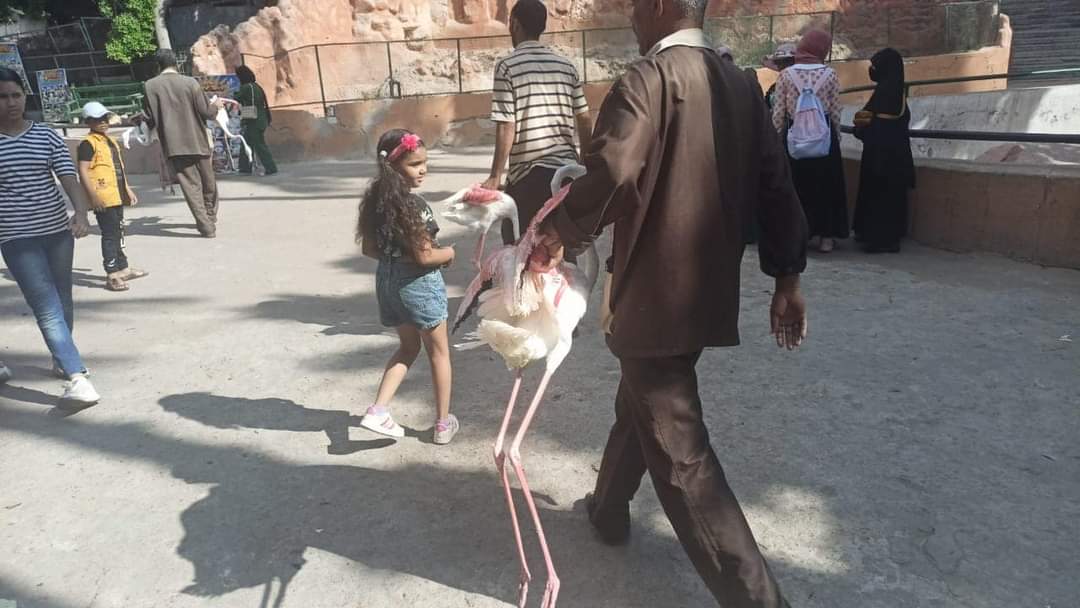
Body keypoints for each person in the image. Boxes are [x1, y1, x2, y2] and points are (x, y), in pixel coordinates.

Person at [534, 0, 808, 604]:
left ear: (659, 6)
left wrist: (554, 231)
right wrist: (787, 277)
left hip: (653, 297)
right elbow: (776, 184)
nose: (633, 16)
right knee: (643, 403)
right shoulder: (740, 84)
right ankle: (607, 509)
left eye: (636, 5)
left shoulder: (647, 78)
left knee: (682, 456)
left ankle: (759, 599)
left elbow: (613, 172)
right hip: (706, 293)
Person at [0, 67, 101, 406]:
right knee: (46, 306)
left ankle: (61, 359)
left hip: (57, 232)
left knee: (63, 298)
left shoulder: (45, 135)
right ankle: (77, 375)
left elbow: (68, 176)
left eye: (16, 95)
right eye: (2, 97)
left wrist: (81, 213)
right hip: (16, 238)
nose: (11, 102)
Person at [356, 129, 459, 445]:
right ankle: (443, 424)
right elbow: (425, 256)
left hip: (387, 282)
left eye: (425, 163)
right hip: (419, 285)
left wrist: (395, 257)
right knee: (439, 353)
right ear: (393, 166)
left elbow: (369, 249)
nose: (423, 170)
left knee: (408, 347)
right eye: (415, 164)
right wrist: (449, 253)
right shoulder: (415, 205)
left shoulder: (374, 201)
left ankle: (378, 410)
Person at [482, 0, 592, 246]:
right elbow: (584, 119)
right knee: (559, 249)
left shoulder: (507, 66)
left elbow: (506, 124)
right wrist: (584, 164)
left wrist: (495, 176)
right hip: (566, 174)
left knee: (518, 249)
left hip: (529, 176)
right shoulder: (566, 66)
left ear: (514, 24)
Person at [772, 29, 849, 253]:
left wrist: (776, 139)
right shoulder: (830, 74)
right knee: (827, 187)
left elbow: (779, 112)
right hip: (824, 139)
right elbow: (835, 110)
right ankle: (826, 237)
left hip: (794, 138)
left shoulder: (786, 75)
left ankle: (799, 234)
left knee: (796, 187)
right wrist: (836, 137)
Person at [143, 49, 224, 238]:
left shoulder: (150, 86)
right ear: (176, 63)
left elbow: (149, 118)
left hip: (174, 145)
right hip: (198, 140)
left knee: (191, 186)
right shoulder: (190, 83)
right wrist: (216, 106)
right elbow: (206, 112)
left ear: (158, 66)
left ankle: (206, 226)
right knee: (209, 182)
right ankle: (210, 216)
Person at [76, 101, 149, 292]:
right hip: (102, 198)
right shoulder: (88, 143)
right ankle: (112, 274)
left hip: (116, 194)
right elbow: (82, 170)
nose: (103, 122)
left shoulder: (110, 141)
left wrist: (127, 189)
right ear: (88, 122)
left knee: (119, 231)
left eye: (105, 118)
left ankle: (123, 268)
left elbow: (118, 169)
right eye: (97, 119)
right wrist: (93, 197)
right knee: (109, 234)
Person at [853, 48, 915, 253]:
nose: (872, 70)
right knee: (891, 197)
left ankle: (878, 239)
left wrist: (861, 129)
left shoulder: (882, 94)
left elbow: (869, 122)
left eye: (876, 66)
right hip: (896, 157)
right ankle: (887, 237)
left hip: (878, 157)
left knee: (877, 196)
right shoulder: (898, 93)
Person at [235, 65, 278, 176]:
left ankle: (270, 167)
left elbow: (237, 97)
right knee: (247, 143)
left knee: (259, 145)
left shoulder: (246, 87)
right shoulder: (257, 86)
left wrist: (233, 93)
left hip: (253, 121)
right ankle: (244, 167)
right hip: (260, 119)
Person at [763, 42, 797, 111]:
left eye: (786, 62)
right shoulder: (773, 88)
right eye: (778, 62)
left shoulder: (802, 85)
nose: (781, 66)